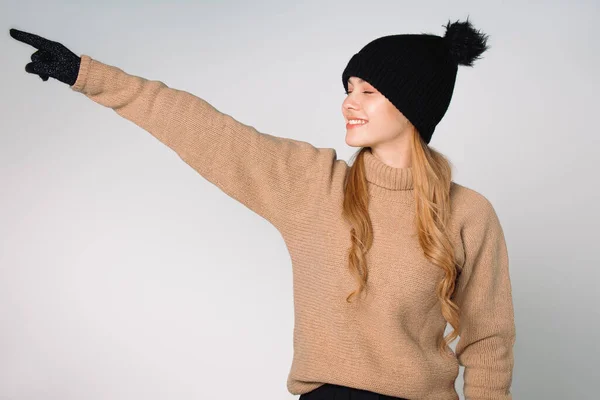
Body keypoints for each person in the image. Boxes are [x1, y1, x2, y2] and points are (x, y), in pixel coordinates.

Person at [9, 16, 516, 400]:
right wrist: (86, 74)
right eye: (347, 89)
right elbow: (205, 131)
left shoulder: (467, 213)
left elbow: (488, 343)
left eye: (368, 90)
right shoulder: (312, 184)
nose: (348, 103)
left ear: (414, 106)